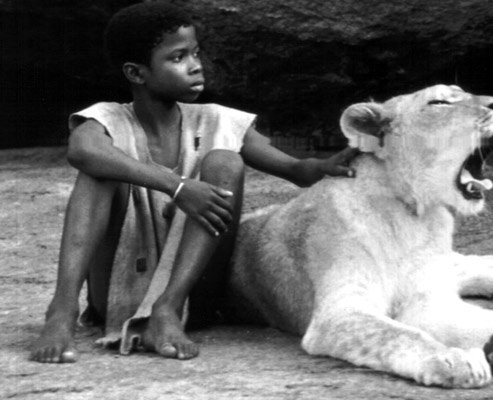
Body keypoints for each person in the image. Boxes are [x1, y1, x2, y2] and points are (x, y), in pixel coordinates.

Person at [29, 2, 358, 363]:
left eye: (196, 53)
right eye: (178, 57)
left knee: (224, 161)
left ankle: (165, 311)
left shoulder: (218, 121)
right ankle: (61, 311)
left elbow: (297, 171)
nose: (196, 65)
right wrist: (179, 187)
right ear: (136, 74)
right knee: (97, 171)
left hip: (192, 297)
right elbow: (82, 151)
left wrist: (327, 163)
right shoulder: (107, 119)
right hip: (116, 292)